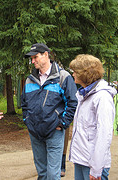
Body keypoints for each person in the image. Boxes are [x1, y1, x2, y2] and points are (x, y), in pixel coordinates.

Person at [21, 43, 78, 180]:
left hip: (54, 132)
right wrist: (27, 121)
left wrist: (62, 123)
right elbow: (24, 104)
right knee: (42, 174)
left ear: (46, 55)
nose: (33, 61)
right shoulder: (30, 80)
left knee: (53, 175)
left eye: (35, 57)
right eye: (32, 58)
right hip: (35, 133)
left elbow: (73, 102)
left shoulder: (63, 77)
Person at [69, 54, 116, 180]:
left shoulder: (102, 97)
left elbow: (104, 134)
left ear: (85, 73)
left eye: (75, 72)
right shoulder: (83, 95)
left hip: (93, 164)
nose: (73, 74)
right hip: (81, 159)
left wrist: (96, 168)